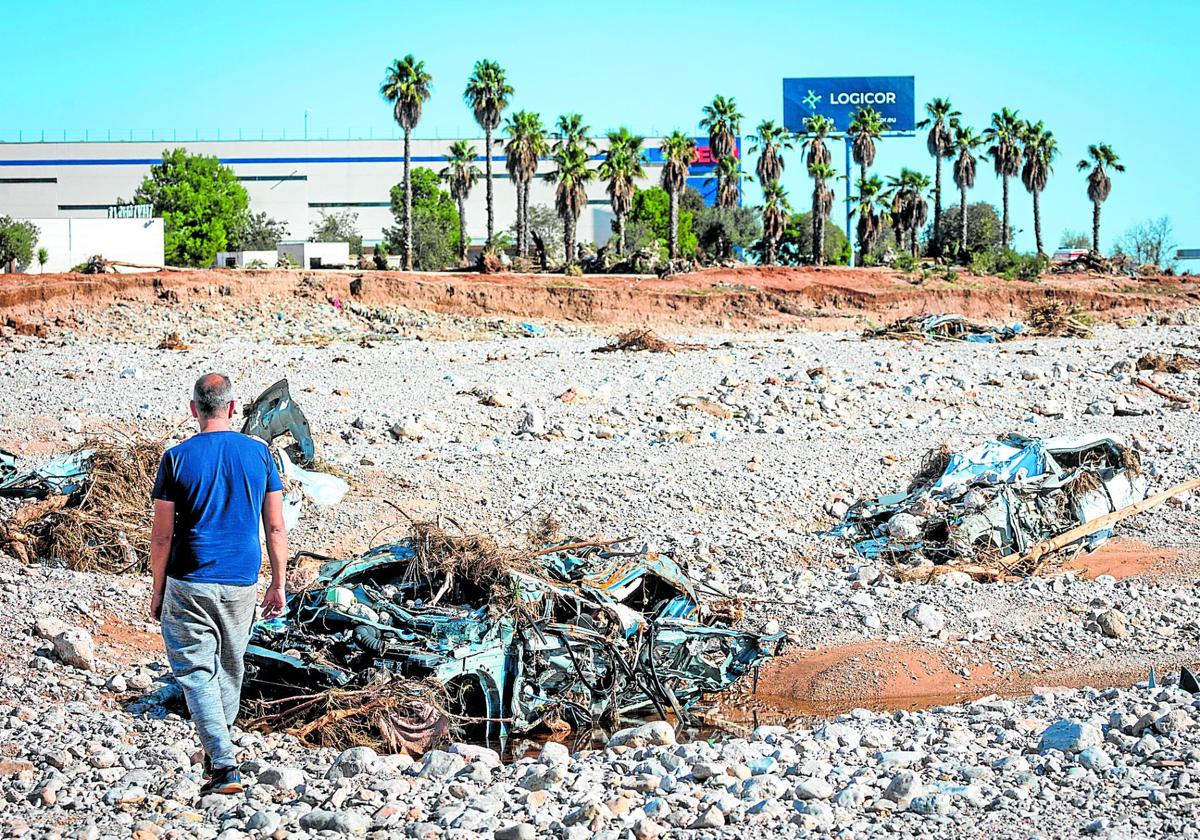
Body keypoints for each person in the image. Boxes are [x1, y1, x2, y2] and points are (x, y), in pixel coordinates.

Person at [149, 373, 289, 796]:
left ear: (194, 408)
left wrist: (157, 590)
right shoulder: (260, 455)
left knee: (195, 670)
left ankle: (224, 765)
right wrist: (278, 582)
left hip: (189, 578)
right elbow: (276, 528)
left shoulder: (176, 458)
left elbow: (161, 536)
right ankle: (218, 754)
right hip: (243, 579)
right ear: (232, 408)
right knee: (229, 666)